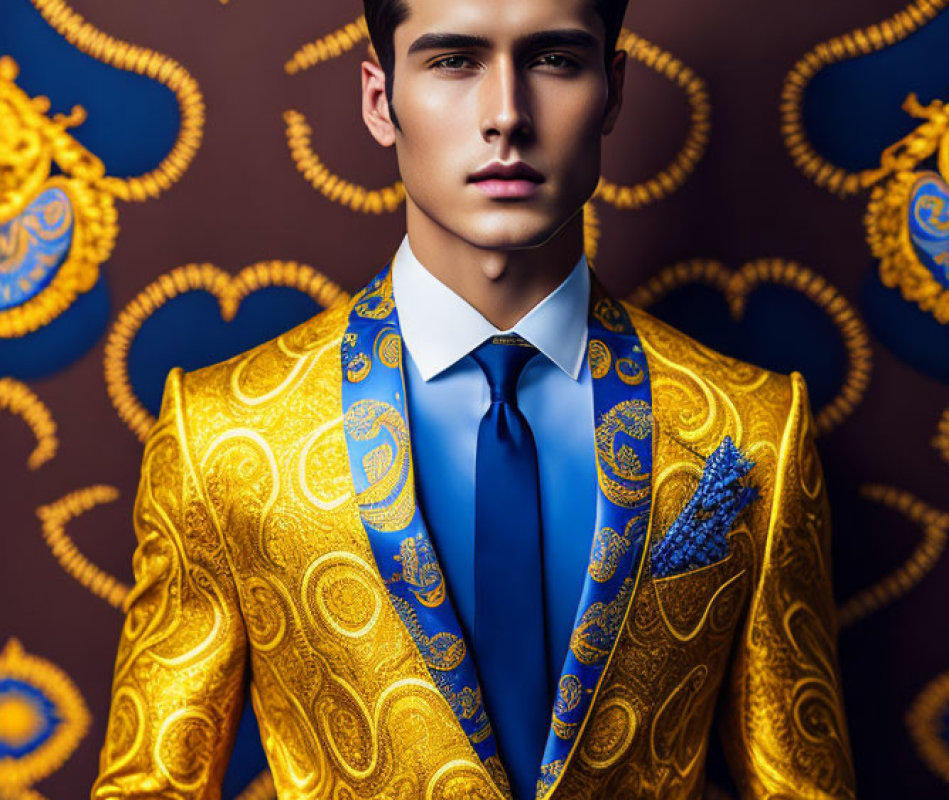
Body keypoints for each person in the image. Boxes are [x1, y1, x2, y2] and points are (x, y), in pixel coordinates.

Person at [90, 0, 856, 797]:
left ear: (613, 90)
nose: (506, 117)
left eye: (554, 59)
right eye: (453, 61)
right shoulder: (219, 435)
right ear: (380, 100)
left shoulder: (758, 426)